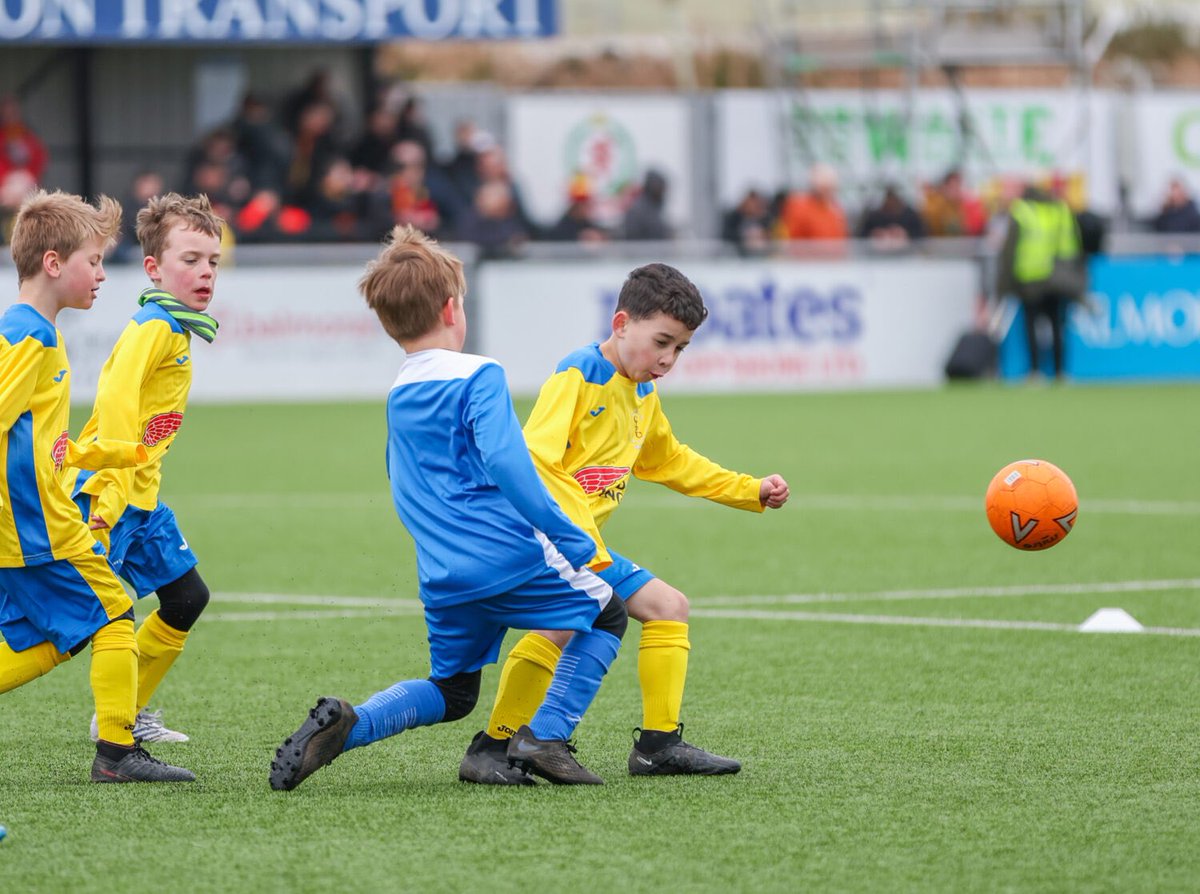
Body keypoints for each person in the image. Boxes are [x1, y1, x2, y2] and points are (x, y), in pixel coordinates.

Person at [268, 225, 628, 791]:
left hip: (442, 572)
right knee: (607, 613)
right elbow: (511, 465)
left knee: (454, 692)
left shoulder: (400, 391)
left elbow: (398, 477)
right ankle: (546, 736)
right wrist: (568, 534)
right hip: (506, 554)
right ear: (452, 307)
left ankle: (350, 723)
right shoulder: (479, 374)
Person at [458, 263, 790, 785]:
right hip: (542, 543)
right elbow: (536, 459)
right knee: (566, 622)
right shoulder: (578, 374)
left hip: (583, 547)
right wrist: (578, 537)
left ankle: (658, 746)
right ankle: (494, 746)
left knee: (667, 607)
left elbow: (670, 461)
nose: (668, 359)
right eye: (662, 341)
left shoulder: (641, 393)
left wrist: (748, 489)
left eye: (679, 348)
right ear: (620, 323)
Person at [0, 190, 193, 783]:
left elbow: (48, 445)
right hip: (40, 525)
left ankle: (117, 750)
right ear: (55, 263)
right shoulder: (29, 336)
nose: (104, 275)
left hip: (33, 520)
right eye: (94, 260)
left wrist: (124, 452)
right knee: (113, 613)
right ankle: (116, 754)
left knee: (56, 635)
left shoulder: (36, 332)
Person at [63, 193, 224, 745]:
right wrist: (108, 499)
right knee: (69, 629)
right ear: (153, 268)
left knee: (187, 598)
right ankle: (116, 725)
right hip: (111, 496)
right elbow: (113, 401)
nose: (205, 272)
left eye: (212, 262)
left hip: (143, 501)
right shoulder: (153, 326)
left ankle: (128, 712)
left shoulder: (175, 328)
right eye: (191, 260)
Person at [996, 182, 1086, 380]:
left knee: (1031, 327)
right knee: (1057, 325)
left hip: (1030, 278)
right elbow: (1074, 245)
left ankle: (1035, 371)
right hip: (1057, 278)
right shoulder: (1060, 209)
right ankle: (1060, 372)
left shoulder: (1022, 211)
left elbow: (1009, 250)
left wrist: (1003, 284)